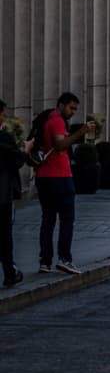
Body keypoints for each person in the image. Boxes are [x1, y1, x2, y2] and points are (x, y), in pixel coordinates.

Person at [32, 91, 93, 275]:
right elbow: (59, 145)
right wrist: (81, 132)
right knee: (67, 220)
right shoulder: (58, 121)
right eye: (71, 108)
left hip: (43, 177)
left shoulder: (46, 118)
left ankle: (45, 261)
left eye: (75, 109)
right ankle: (65, 258)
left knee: (48, 220)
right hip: (60, 176)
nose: (73, 112)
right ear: (61, 105)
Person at [0, 98, 28, 288]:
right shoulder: (3, 138)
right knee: (4, 236)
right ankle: (10, 273)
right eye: (2, 113)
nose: (4, 117)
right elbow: (17, 160)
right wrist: (27, 149)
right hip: (2, 195)